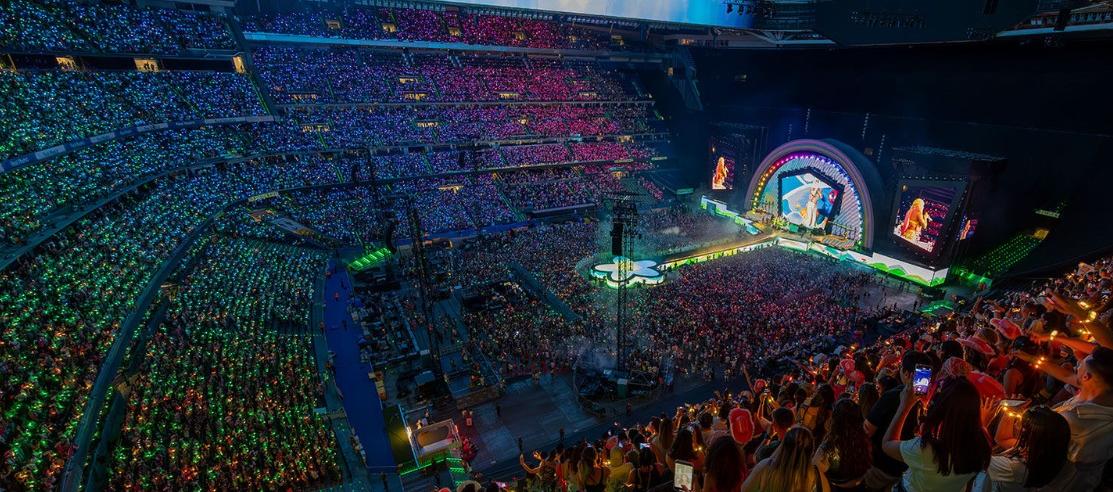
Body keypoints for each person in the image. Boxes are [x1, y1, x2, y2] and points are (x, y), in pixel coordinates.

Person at [882, 375, 991, 492]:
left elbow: (887, 444)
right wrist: (982, 425)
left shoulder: (925, 449)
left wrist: (904, 406)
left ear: (941, 408)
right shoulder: (982, 447)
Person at [862, 351, 932, 491]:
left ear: (907, 374)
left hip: (882, 468)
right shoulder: (928, 400)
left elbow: (867, 431)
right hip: (907, 468)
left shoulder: (893, 396)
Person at [972, 406, 1070, 492]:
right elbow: (1002, 438)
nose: (1016, 424)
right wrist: (1011, 410)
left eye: (1021, 425)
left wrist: (982, 423)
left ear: (1032, 438)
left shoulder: (1014, 467)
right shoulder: (1044, 454)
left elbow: (977, 457)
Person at [742, 426, 829, 492]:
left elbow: (745, 489)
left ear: (783, 446)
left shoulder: (765, 467)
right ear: (811, 450)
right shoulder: (818, 477)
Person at [814, 399, 872, 490]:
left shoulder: (828, 447)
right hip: (860, 486)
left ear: (835, 421)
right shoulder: (864, 441)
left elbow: (816, 465)